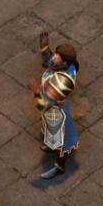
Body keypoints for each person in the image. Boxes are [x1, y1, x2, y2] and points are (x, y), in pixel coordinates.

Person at [37, 33, 78, 179]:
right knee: (51, 132)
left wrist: (37, 94)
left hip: (57, 111)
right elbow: (50, 62)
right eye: (55, 54)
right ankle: (51, 145)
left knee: (61, 139)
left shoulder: (64, 79)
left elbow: (52, 94)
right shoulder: (62, 65)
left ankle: (59, 167)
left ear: (65, 62)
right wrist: (44, 47)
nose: (54, 57)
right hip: (50, 108)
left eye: (57, 56)